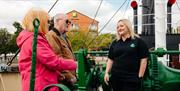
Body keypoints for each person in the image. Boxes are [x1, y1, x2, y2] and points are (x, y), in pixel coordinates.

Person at [16, 8, 77, 91]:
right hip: (41, 86)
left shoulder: (33, 39)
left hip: (41, 84)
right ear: (39, 22)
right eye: (47, 21)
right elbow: (53, 61)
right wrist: (75, 64)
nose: (49, 24)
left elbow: (41, 64)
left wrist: (58, 74)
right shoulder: (35, 40)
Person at [104, 19, 149, 91]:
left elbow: (144, 59)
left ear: (128, 27)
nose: (119, 28)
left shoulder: (138, 41)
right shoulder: (115, 43)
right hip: (116, 78)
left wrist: (140, 76)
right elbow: (110, 59)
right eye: (118, 27)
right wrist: (106, 73)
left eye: (121, 26)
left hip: (131, 79)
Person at [46, 13, 77, 90]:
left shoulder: (64, 37)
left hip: (68, 80)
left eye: (69, 22)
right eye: (67, 21)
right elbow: (57, 59)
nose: (69, 24)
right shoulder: (51, 36)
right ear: (57, 21)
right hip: (63, 81)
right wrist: (69, 77)